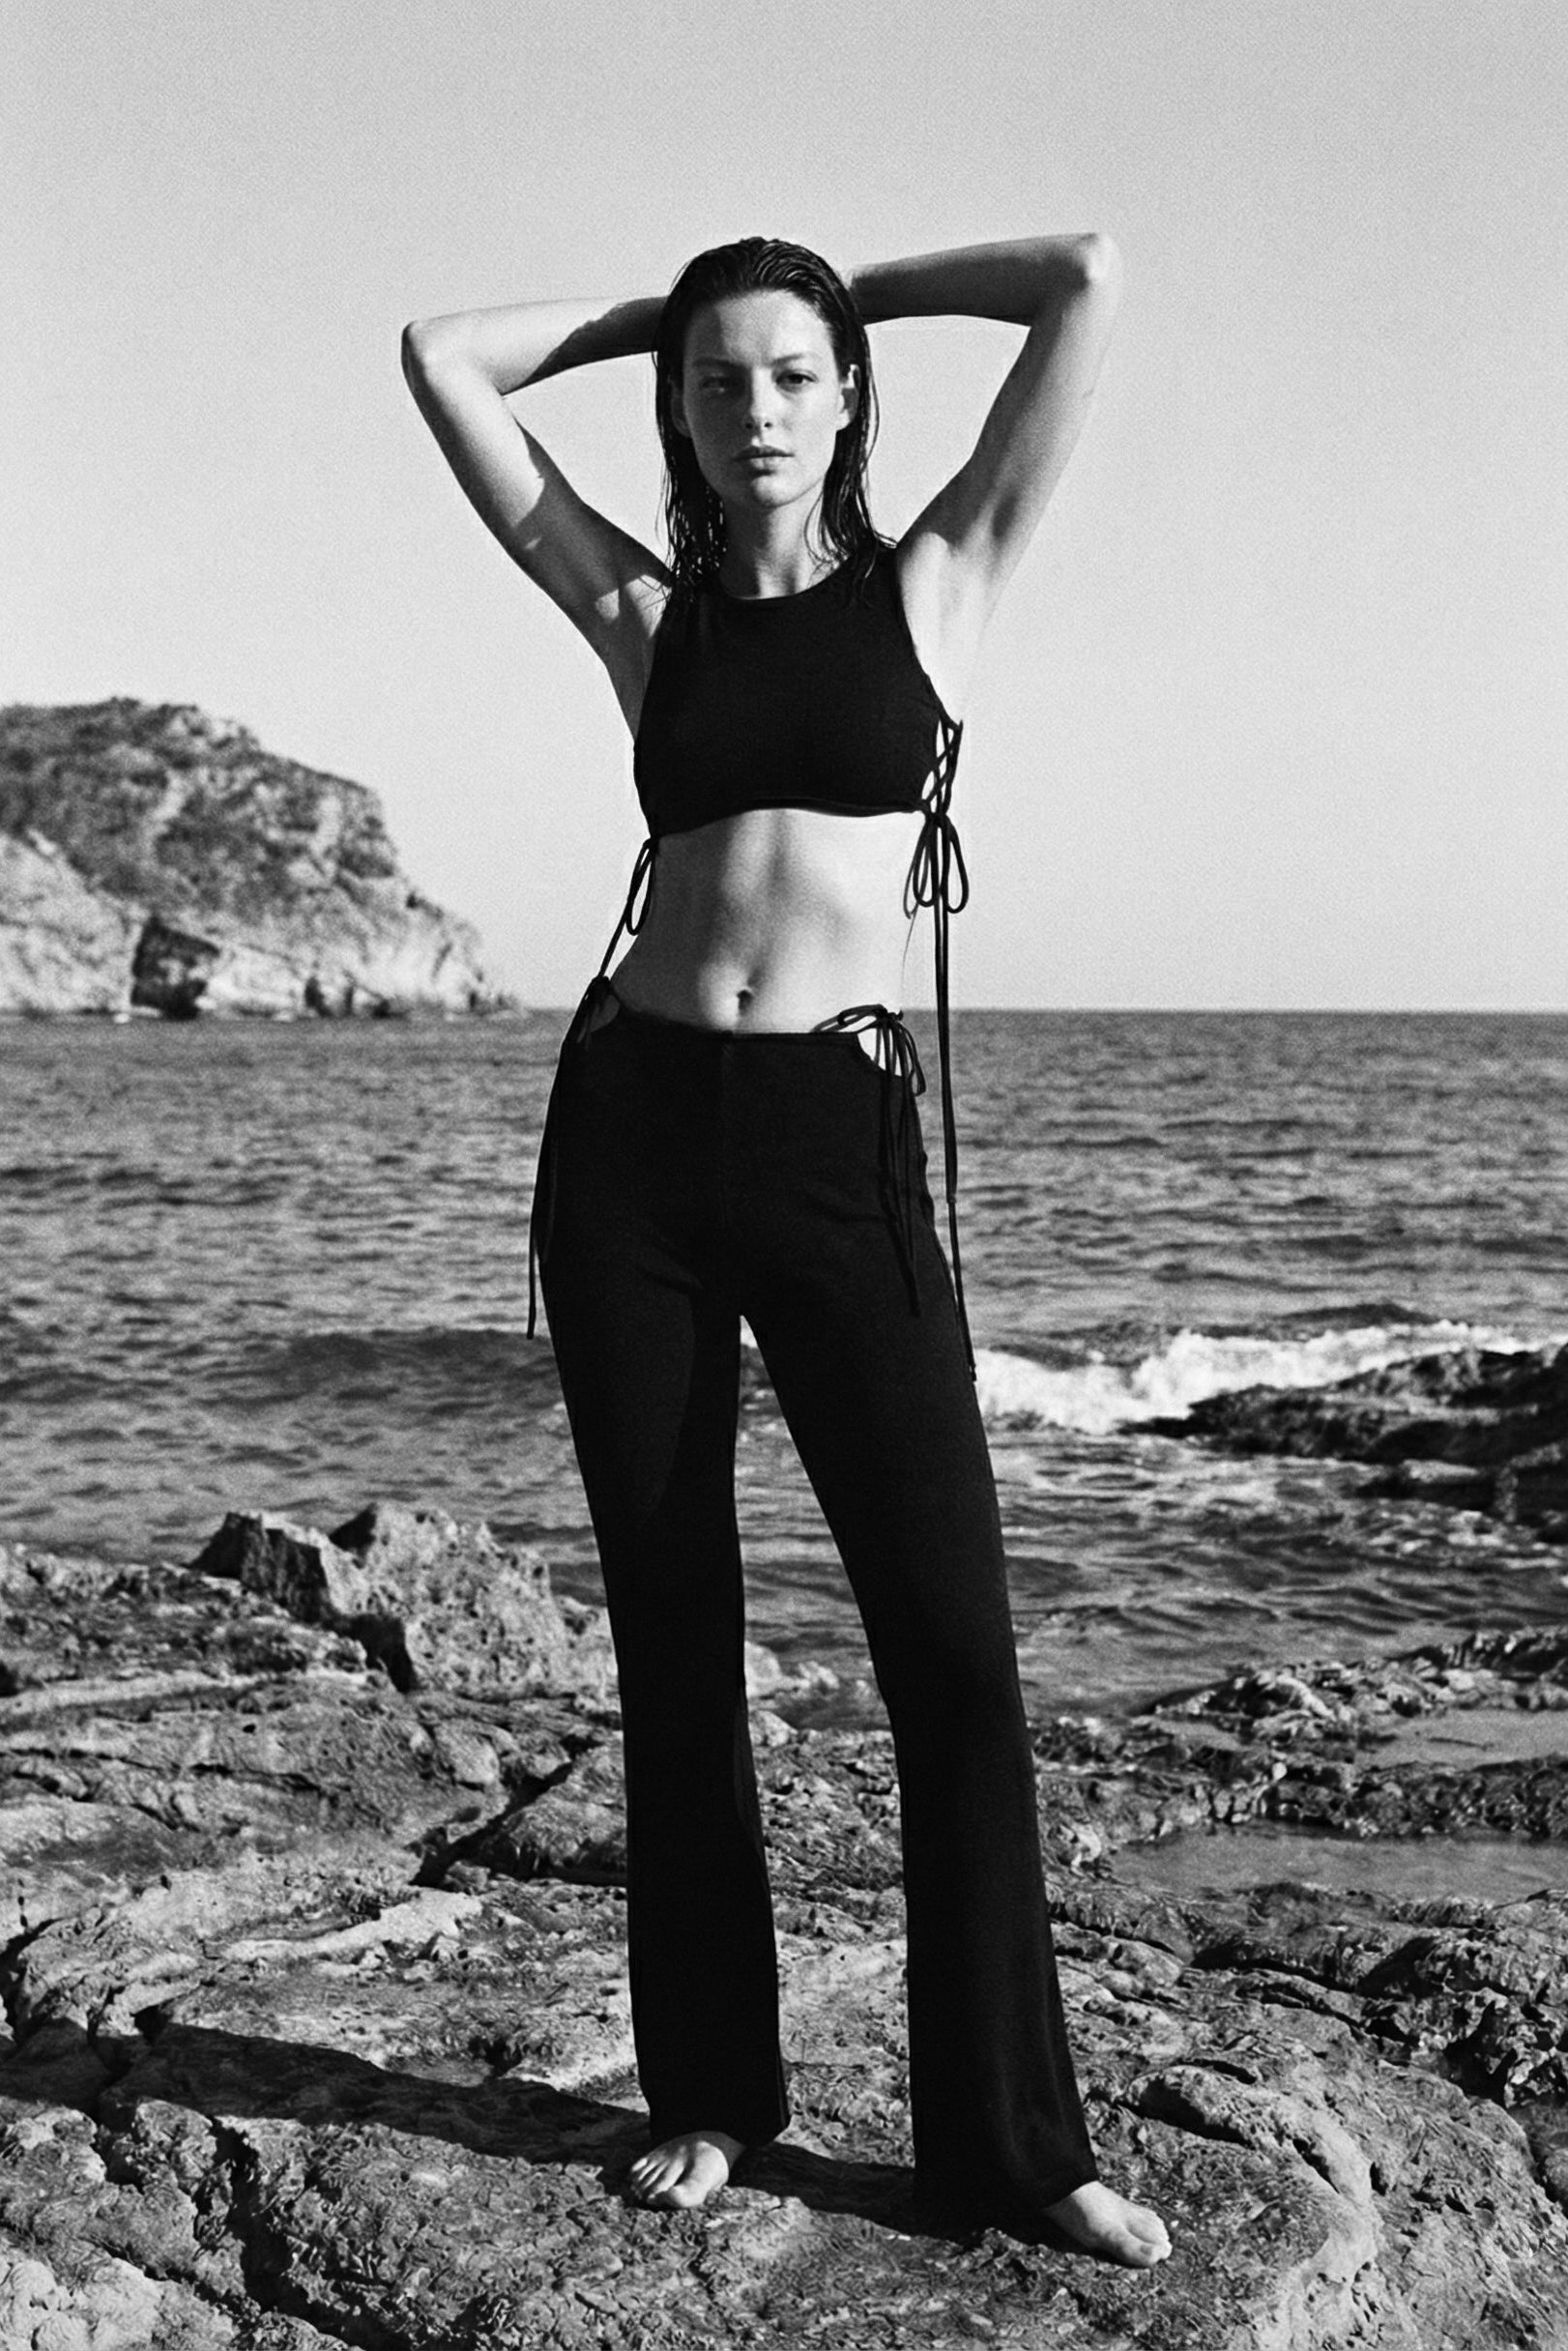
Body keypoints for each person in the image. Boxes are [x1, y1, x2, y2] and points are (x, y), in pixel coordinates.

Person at [402, 232, 1170, 2268]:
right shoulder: (639, 612)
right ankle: (714, 2101)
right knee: (674, 1634)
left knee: (953, 1653)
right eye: (719, 378)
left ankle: (1013, 2142)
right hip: (635, 1146)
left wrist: (860, 282)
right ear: (675, 403)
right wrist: (657, 315)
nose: (754, 408)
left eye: (792, 374)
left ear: (845, 395)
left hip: (835, 1142)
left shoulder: (938, 579)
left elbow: (1086, 279)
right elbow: (439, 352)